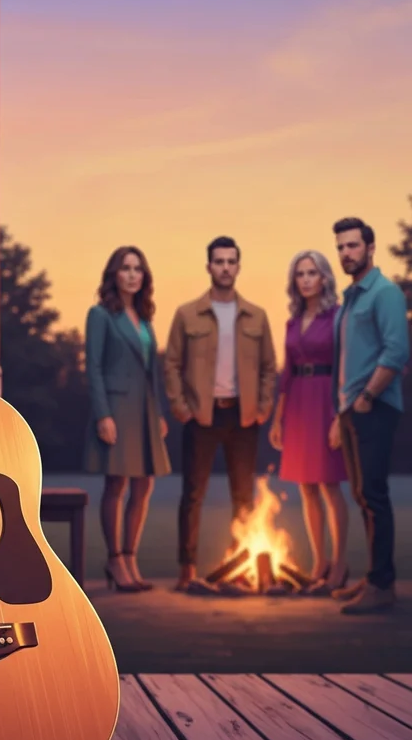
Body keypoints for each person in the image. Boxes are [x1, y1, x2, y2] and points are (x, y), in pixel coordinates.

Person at [164, 236, 277, 591]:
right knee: (193, 494)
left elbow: (269, 367)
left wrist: (263, 405)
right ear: (209, 266)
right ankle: (187, 569)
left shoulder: (257, 315)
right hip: (203, 415)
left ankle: (240, 564)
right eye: (219, 261)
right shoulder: (187, 314)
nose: (225, 267)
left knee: (243, 496)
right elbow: (172, 364)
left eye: (231, 261)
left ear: (238, 267)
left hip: (242, 417)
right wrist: (181, 408)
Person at [327, 217, 409, 614]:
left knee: (374, 495)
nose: (346, 253)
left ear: (370, 248)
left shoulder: (385, 293)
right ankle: (374, 577)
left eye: (353, 246)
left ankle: (383, 585)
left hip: (373, 408)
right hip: (350, 410)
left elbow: (395, 352)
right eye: (341, 247)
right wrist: (342, 409)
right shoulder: (352, 298)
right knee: (362, 495)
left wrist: (367, 397)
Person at [84, 246, 171, 592]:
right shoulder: (100, 315)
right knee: (116, 484)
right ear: (113, 275)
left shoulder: (146, 318)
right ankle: (115, 559)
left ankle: (131, 558)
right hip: (117, 410)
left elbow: (152, 373)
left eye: (138, 269)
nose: (133, 274)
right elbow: (93, 367)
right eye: (126, 268)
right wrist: (103, 414)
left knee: (145, 484)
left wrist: (159, 413)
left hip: (145, 411)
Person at [269, 251, 349, 595]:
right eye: (300, 273)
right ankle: (319, 562)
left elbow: (346, 367)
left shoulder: (338, 317)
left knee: (330, 485)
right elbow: (286, 373)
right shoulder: (291, 321)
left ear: (325, 278)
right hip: (298, 402)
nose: (305, 279)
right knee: (306, 487)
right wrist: (278, 418)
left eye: (312, 273)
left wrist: (340, 418)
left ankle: (340, 562)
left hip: (326, 399)